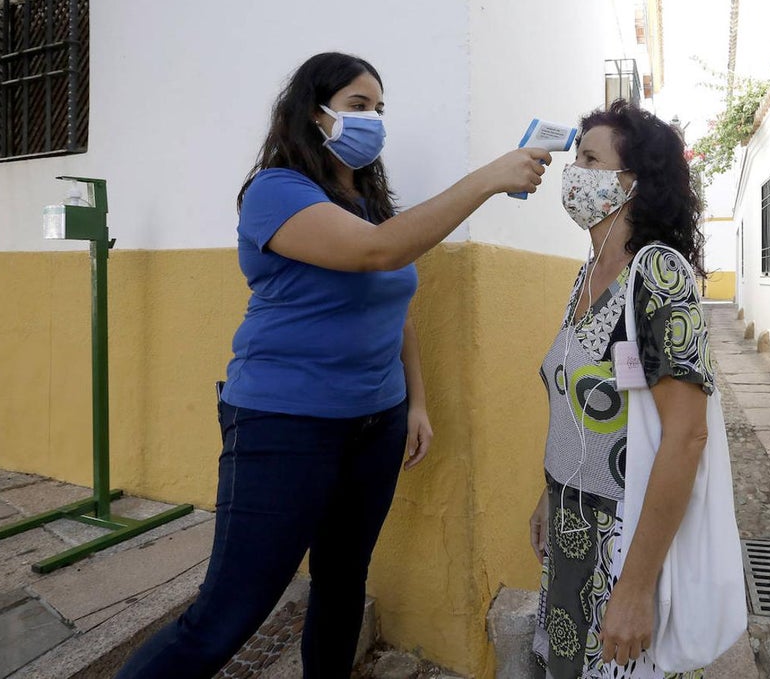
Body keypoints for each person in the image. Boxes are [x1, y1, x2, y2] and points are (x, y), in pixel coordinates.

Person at [116, 52, 549, 679]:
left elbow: (397, 310)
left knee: (343, 581)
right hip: (283, 426)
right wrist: (486, 178)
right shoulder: (276, 192)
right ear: (313, 113)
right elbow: (376, 255)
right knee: (227, 615)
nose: (373, 119)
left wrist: (416, 403)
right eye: (357, 105)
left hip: (375, 425)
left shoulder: (372, 204)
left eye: (379, 108)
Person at [529, 99, 713, 679]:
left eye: (588, 159)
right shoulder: (584, 277)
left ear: (631, 183)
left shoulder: (658, 275)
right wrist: (549, 493)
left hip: (625, 541)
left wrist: (634, 588)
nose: (572, 173)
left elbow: (685, 438)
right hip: (570, 529)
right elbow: (578, 411)